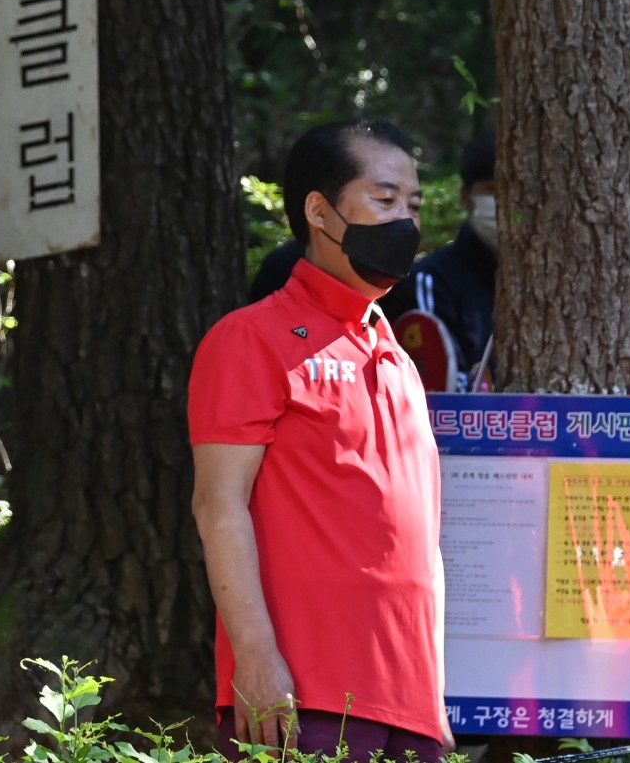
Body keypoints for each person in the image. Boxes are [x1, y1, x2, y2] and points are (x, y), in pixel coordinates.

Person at [188, 120, 450, 763]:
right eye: (385, 199)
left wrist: (435, 696)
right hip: (304, 697)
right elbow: (218, 505)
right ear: (318, 210)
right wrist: (255, 657)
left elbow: (425, 545)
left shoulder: (398, 356)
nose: (406, 221)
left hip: (410, 708)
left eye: (414, 205)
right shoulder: (250, 338)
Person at [385, 130, 497, 390]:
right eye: (493, 190)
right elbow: (437, 385)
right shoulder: (432, 281)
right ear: (465, 197)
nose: (505, 202)